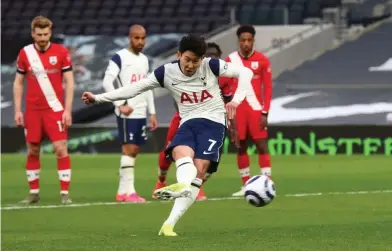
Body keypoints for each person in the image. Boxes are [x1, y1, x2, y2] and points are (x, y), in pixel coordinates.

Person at [82, 34, 254, 236]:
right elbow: (133, 89)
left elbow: (246, 73)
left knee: (200, 169)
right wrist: (98, 98)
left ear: (202, 59)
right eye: (187, 60)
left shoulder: (212, 65)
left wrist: (236, 101)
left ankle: (169, 222)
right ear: (178, 54)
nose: (191, 65)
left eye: (195, 61)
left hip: (214, 122)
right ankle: (181, 187)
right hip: (188, 121)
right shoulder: (166, 72)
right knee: (180, 152)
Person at [152, 42, 230, 201]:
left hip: (213, 123)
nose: (212, 57)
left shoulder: (224, 77)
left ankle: (196, 186)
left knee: (209, 158)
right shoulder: (191, 73)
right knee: (169, 150)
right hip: (184, 119)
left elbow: (227, 100)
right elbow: (179, 98)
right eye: (210, 54)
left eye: (216, 55)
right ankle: (160, 181)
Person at [13, 16, 75, 204]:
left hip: (55, 109)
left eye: (45, 34)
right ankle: (34, 192)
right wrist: (17, 110)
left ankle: (65, 194)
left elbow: (70, 82)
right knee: (32, 150)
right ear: (33, 33)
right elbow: (18, 82)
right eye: (39, 34)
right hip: (32, 110)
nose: (42, 37)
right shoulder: (25, 53)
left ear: (50, 33)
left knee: (60, 148)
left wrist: (68, 110)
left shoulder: (61, 52)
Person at [102, 25, 158, 203]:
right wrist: (120, 104)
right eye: (136, 38)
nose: (140, 42)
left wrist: (152, 112)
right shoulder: (120, 57)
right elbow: (107, 82)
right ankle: (130, 192)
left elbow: (147, 86)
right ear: (130, 38)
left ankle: (122, 192)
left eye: (143, 38)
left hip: (141, 111)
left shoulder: (144, 59)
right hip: (128, 111)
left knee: (134, 150)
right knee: (129, 149)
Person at [220, 25, 273, 197]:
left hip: (256, 110)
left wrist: (265, 112)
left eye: (249, 40)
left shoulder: (263, 60)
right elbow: (223, 85)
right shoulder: (231, 60)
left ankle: (268, 182)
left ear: (253, 41)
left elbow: (268, 87)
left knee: (261, 146)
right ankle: (245, 185)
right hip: (238, 111)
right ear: (238, 41)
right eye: (243, 40)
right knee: (241, 146)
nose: (246, 43)